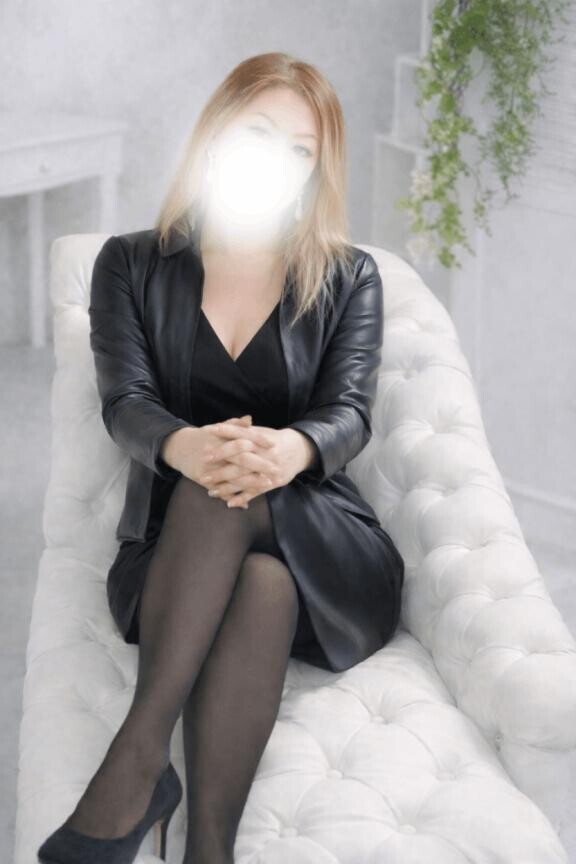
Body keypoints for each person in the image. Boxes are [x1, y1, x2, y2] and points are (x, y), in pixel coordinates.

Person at [38, 51, 404, 864]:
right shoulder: (131, 263)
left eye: (301, 150)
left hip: (327, 549)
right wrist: (185, 445)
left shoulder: (351, 277)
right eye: (260, 132)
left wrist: (293, 450)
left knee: (220, 494)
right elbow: (126, 400)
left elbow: (351, 412)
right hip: (179, 563)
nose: (278, 158)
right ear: (217, 131)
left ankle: (135, 766)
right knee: (253, 569)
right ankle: (209, 850)